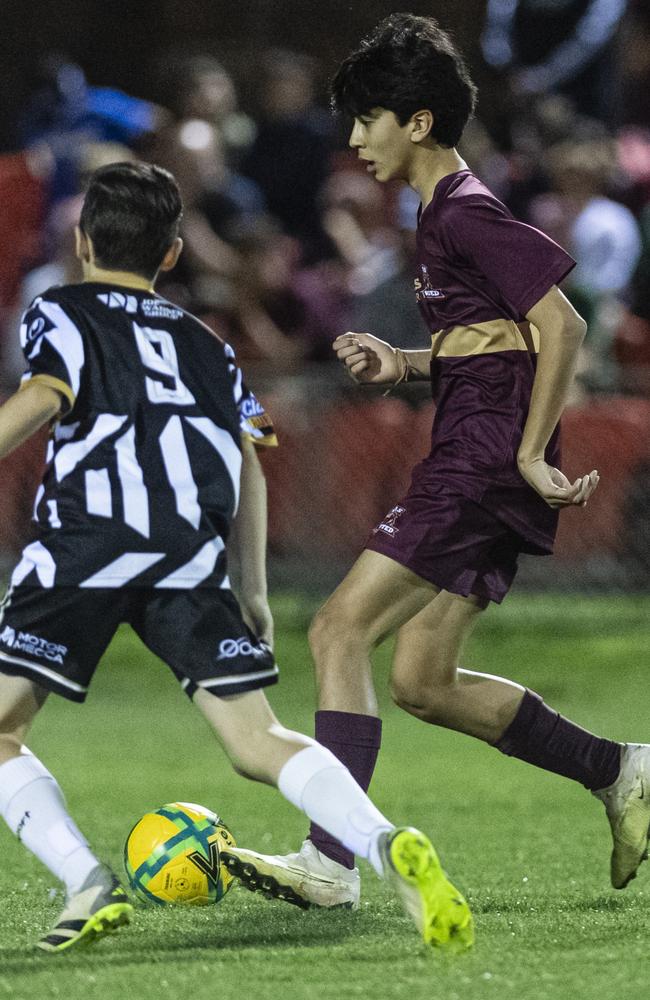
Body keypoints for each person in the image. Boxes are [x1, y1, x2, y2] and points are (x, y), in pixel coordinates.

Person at [231, 14, 650, 911]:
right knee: (421, 680)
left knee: (337, 630)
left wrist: (531, 452)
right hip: (484, 445)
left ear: (417, 122)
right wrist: (407, 362)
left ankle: (331, 860)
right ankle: (619, 770)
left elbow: (562, 324)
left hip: (484, 455)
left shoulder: (463, 209)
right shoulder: (438, 219)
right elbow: (494, 342)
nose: (354, 140)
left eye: (368, 120)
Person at [0, 161, 472, 954]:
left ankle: (84, 879)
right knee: (258, 740)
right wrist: (250, 589)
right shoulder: (206, 343)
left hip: (88, 543)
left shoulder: (60, 309)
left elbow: (46, 396)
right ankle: (384, 840)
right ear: (175, 254)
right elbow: (249, 461)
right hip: (190, 553)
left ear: (81, 241)